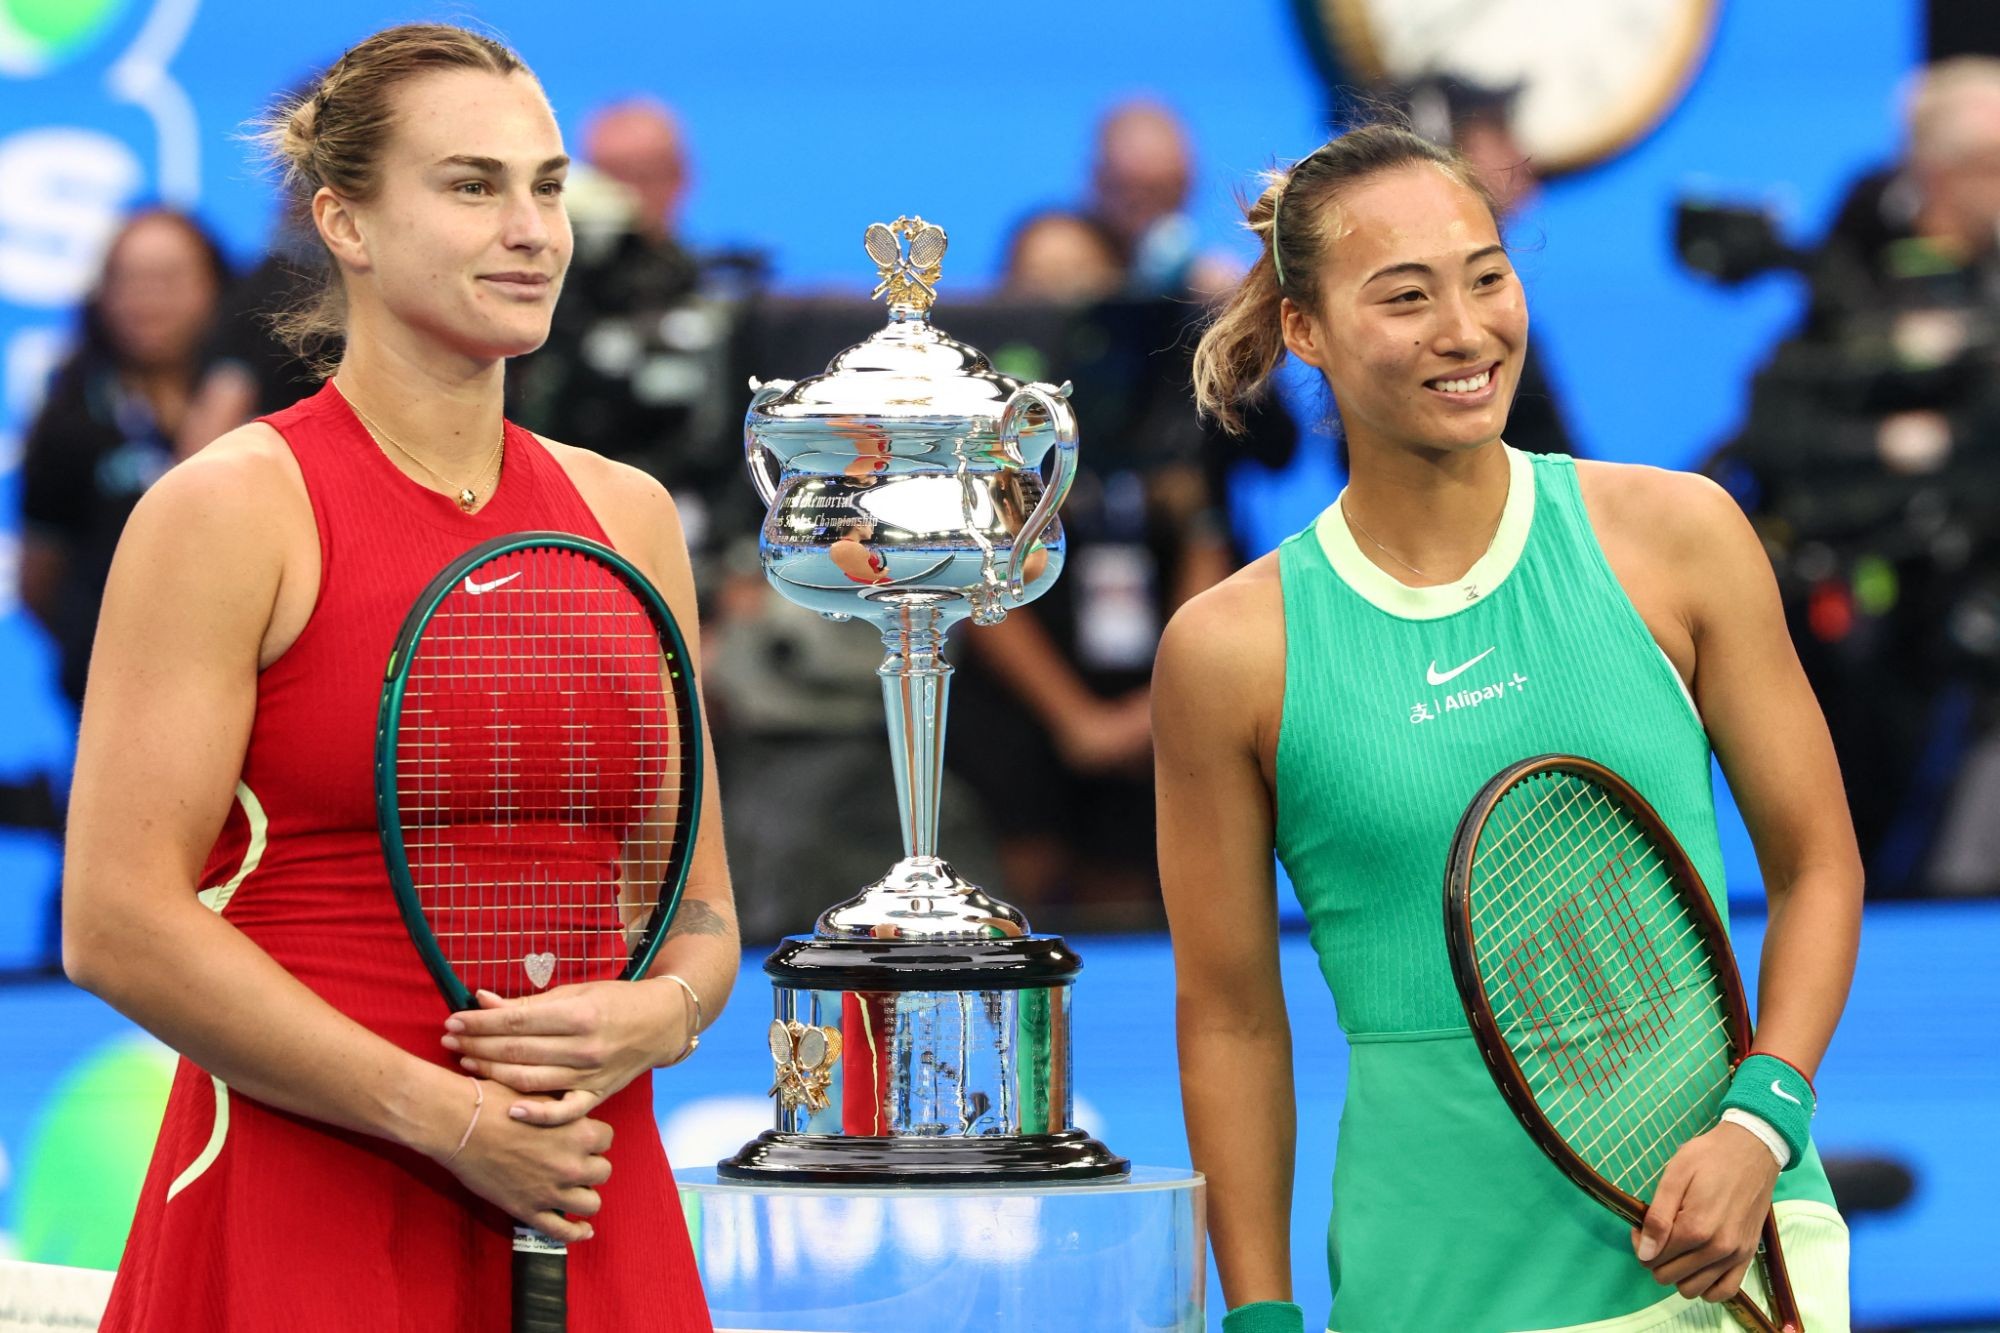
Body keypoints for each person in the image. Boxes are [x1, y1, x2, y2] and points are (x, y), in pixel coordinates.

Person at [60, 24, 733, 1330]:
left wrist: (661, 1013)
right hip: (309, 1201)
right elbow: (116, 921)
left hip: (584, 1194)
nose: (531, 230)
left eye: (547, 186)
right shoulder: (226, 510)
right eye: (472, 185)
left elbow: (695, 905)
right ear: (345, 224)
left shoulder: (631, 516)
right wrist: (451, 1121)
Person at [1157, 124, 1861, 1332]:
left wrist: (1762, 1119)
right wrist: (1257, 1313)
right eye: (1405, 297)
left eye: (1485, 276)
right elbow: (1229, 1018)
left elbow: (1816, 867)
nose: (1464, 330)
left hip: (1727, 1251)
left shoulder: (1679, 535)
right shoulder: (1228, 650)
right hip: (1428, 1283)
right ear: (1304, 330)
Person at [19, 207, 229, 707]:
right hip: (109, 695)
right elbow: (38, 580)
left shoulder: (264, 402)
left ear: (216, 288)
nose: (149, 301)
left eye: (169, 280)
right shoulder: (68, 416)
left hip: (241, 685)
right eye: (130, 281)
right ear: (103, 294)